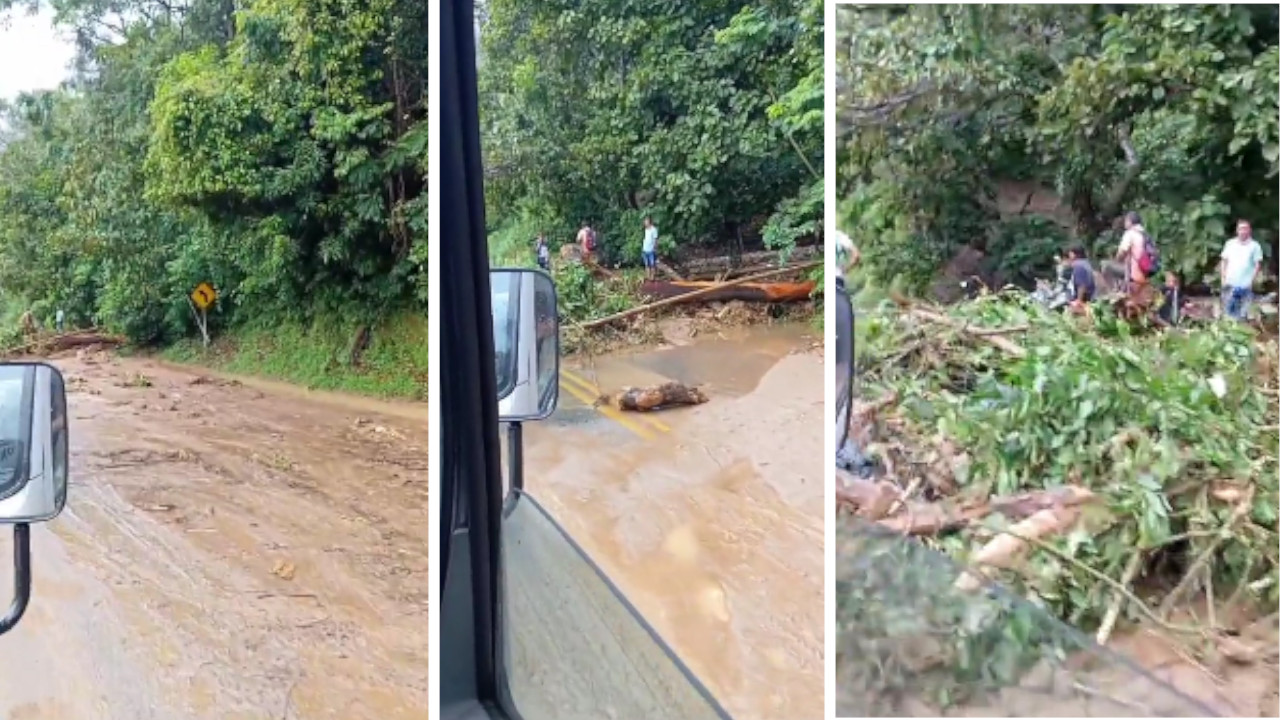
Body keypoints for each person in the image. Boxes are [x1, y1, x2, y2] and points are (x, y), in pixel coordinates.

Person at [1220, 218, 1263, 321]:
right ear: (1237, 230)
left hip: (1245, 285)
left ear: (1249, 230)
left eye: (1245, 228)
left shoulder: (1255, 246)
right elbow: (1224, 261)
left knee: (1242, 314)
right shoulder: (1229, 244)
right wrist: (1223, 278)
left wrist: (1251, 281)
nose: (1243, 231)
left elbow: (1258, 265)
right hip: (1229, 284)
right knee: (1228, 313)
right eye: (1241, 228)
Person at [1065, 244, 1096, 313]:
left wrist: (1079, 301)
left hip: (1083, 299)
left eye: (1070, 253)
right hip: (1089, 297)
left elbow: (1081, 285)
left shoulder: (1078, 266)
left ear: (1073, 254)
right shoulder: (1086, 263)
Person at [641, 216, 658, 280]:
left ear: (649, 222)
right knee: (646, 264)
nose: (645, 223)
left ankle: (652, 277)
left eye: (646, 221)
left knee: (652, 264)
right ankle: (648, 276)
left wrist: (655, 248)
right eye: (645, 222)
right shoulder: (646, 230)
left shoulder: (654, 229)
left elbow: (655, 240)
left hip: (651, 250)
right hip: (645, 249)